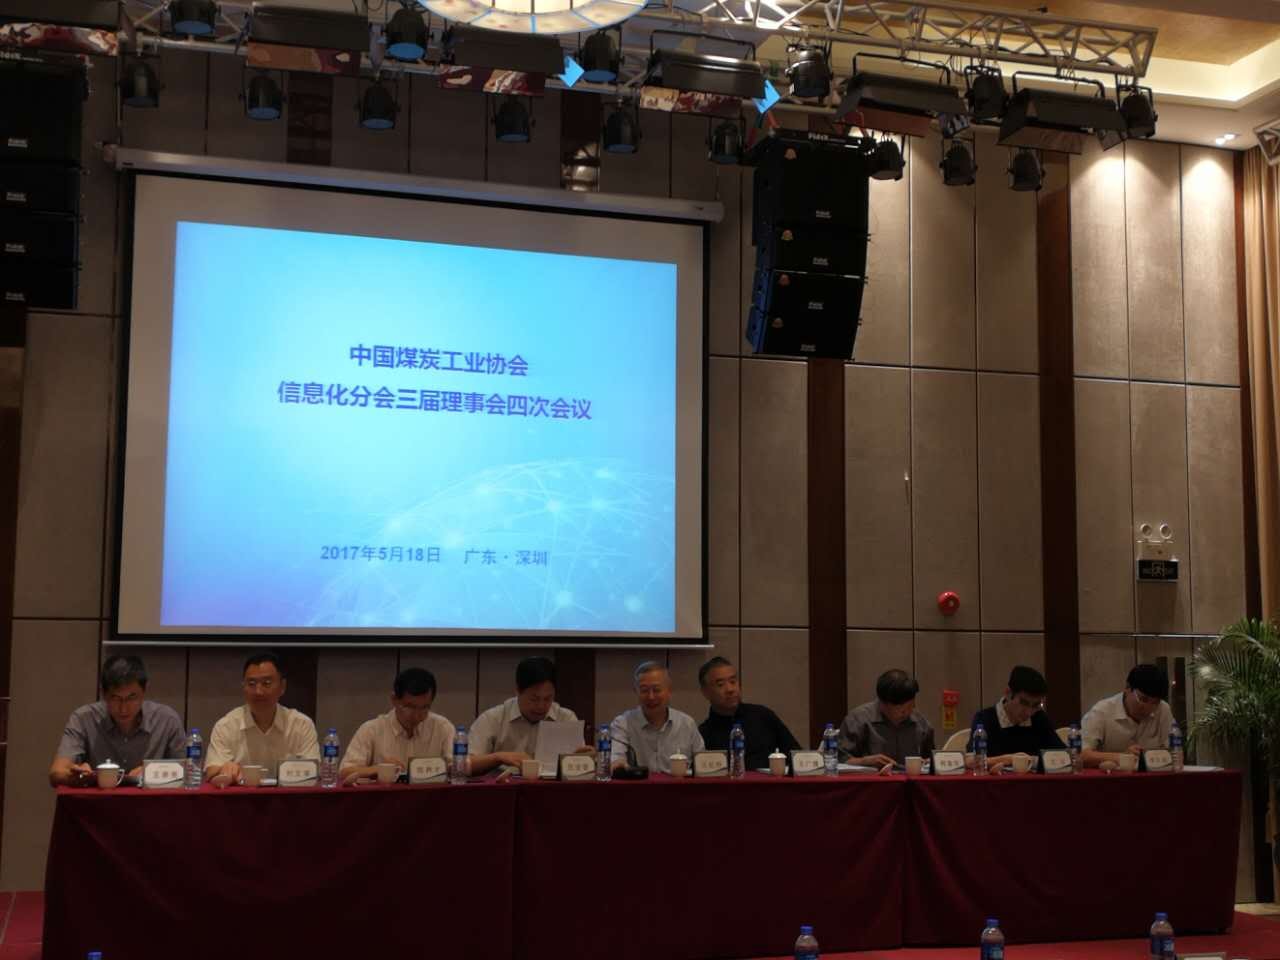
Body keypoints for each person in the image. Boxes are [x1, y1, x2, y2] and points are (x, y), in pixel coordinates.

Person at [49, 654, 185, 787]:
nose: (123, 708)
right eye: (115, 698)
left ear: (144, 691)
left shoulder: (167, 720)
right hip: (100, 800)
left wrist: (153, 772)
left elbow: (188, 773)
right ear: (103, 694)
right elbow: (56, 773)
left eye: (132, 697)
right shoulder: (83, 719)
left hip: (150, 801)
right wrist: (77, 777)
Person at [204, 651, 320, 783]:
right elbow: (211, 771)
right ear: (243, 687)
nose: (258, 691)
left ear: (282, 687)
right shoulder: (226, 726)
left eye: (267, 683)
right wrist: (224, 769)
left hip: (290, 795)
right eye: (251, 684)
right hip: (242, 795)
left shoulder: (301, 724)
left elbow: (313, 771)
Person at [468, 656, 585, 776]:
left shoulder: (566, 719)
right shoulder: (493, 719)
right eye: (534, 699)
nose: (541, 706)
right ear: (518, 691)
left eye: (548, 699)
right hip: (504, 785)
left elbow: (580, 769)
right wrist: (498, 757)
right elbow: (465, 765)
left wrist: (588, 757)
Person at [339, 667, 454, 785]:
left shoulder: (442, 727)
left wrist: (453, 768)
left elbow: (457, 769)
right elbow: (344, 772)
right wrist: (378, 769)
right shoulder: (372, 729)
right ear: (394, 699)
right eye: (410, 707)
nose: (417, 716)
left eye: (425, 707)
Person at [697, 656, 801, 769]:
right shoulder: (703, 734)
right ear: (705, 692)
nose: (730, 689)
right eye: (721, 684)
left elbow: (797, 757)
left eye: (733, 681)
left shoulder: (763, 716)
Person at [610, 661, 704, 774]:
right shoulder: (622, 724)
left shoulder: (687, 724)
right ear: (636, 691)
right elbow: (617, 759)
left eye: (657, 690)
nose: (651, 697)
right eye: (644, 690)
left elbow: (703, 765)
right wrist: (618, 764)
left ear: (669, 690)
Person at [967, 665, 1064, 771]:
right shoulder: (985, 718)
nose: (1029, 712)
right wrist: (1009, 759)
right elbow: (970, 761)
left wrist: (1030, 760)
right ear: (1008, 693)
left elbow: (1064, 757)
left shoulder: (1039, 718)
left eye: (1036, 705)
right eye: (1024, 703)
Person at [1080, 663, 1174, 767]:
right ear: (1127, 688)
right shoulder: (1102, 711)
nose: (1148, 708)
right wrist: (1122, 757)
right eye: (1143, 699)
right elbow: (1082, 755)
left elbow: (1174, 752)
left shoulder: (1163, 709)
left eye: (1155, 702)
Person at [837, 669, 935, 767]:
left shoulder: (921, 724)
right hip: (871, 776)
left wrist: (928, 762)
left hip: (910, 777)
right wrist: (864, 761)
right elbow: (839, 760)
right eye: (901, 709)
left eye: (911, 706)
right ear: (882, 702)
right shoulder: (857, 720)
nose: (908, 712)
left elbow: (931, 761)